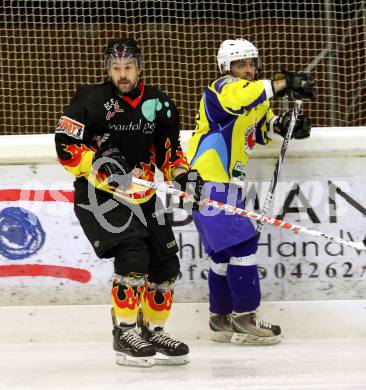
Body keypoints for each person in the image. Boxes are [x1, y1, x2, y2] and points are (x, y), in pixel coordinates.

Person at [55, 38, 202, 367]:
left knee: (166, 265)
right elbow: (65, 145)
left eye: (128, 67)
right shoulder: (89, 100)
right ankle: (124, 332)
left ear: (139, 67)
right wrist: (100, 164)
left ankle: (153, 331)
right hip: (99, 195)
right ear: (107, 69)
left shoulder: (159, 103)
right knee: (133, 253)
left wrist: (185, 176)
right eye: (116, 68)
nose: (122, 74)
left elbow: (170, 153)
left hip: (145, 194)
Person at [187, 38, 315, 345]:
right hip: (208, 181)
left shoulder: (254, 95)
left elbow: (258, 127)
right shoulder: (222, 88)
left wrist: (285, 126)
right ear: (227, 68)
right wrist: (286, 83)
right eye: (241, 64)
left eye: (251, 63)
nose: (248, 69)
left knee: (224, 254)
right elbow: (245, 98)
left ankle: (221, 318)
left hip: (225, 184)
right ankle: (245, 317)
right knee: (243, 245)